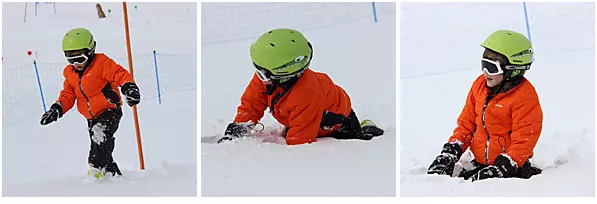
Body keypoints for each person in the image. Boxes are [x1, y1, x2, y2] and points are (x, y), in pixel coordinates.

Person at [218, 28, 384, 145]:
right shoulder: (267, 76)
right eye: (257, 70)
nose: (259, 77)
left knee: (355, 140)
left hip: (333, 120)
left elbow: (301, 140)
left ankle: (366, 127)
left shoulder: (307, 94)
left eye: (262, 73)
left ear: (285, 75)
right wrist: (239, 127)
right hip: (302, 114)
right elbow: (252, 103)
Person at [427, 30, 543, 181]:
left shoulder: (524, 96)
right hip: (481, 163)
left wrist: (505, 165)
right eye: (484, 64)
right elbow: (466, 124)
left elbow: (525, 139)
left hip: (511, 168)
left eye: (492, 67)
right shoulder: (479, 86)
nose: (485, 72)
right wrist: (452, 150)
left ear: (513, 70)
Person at [39, 28, 141, 180]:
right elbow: (68, 95)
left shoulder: (102, 64)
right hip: (91, 116)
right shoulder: (70, 73)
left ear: (91, 51)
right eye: (70, 59)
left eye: (79, 58)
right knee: (102, 146)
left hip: (109, 110)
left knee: (99, 138)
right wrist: (57, 109)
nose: (76, 64)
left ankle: (95, 176)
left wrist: (129, 87)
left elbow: (119, 74)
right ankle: (113, 176)